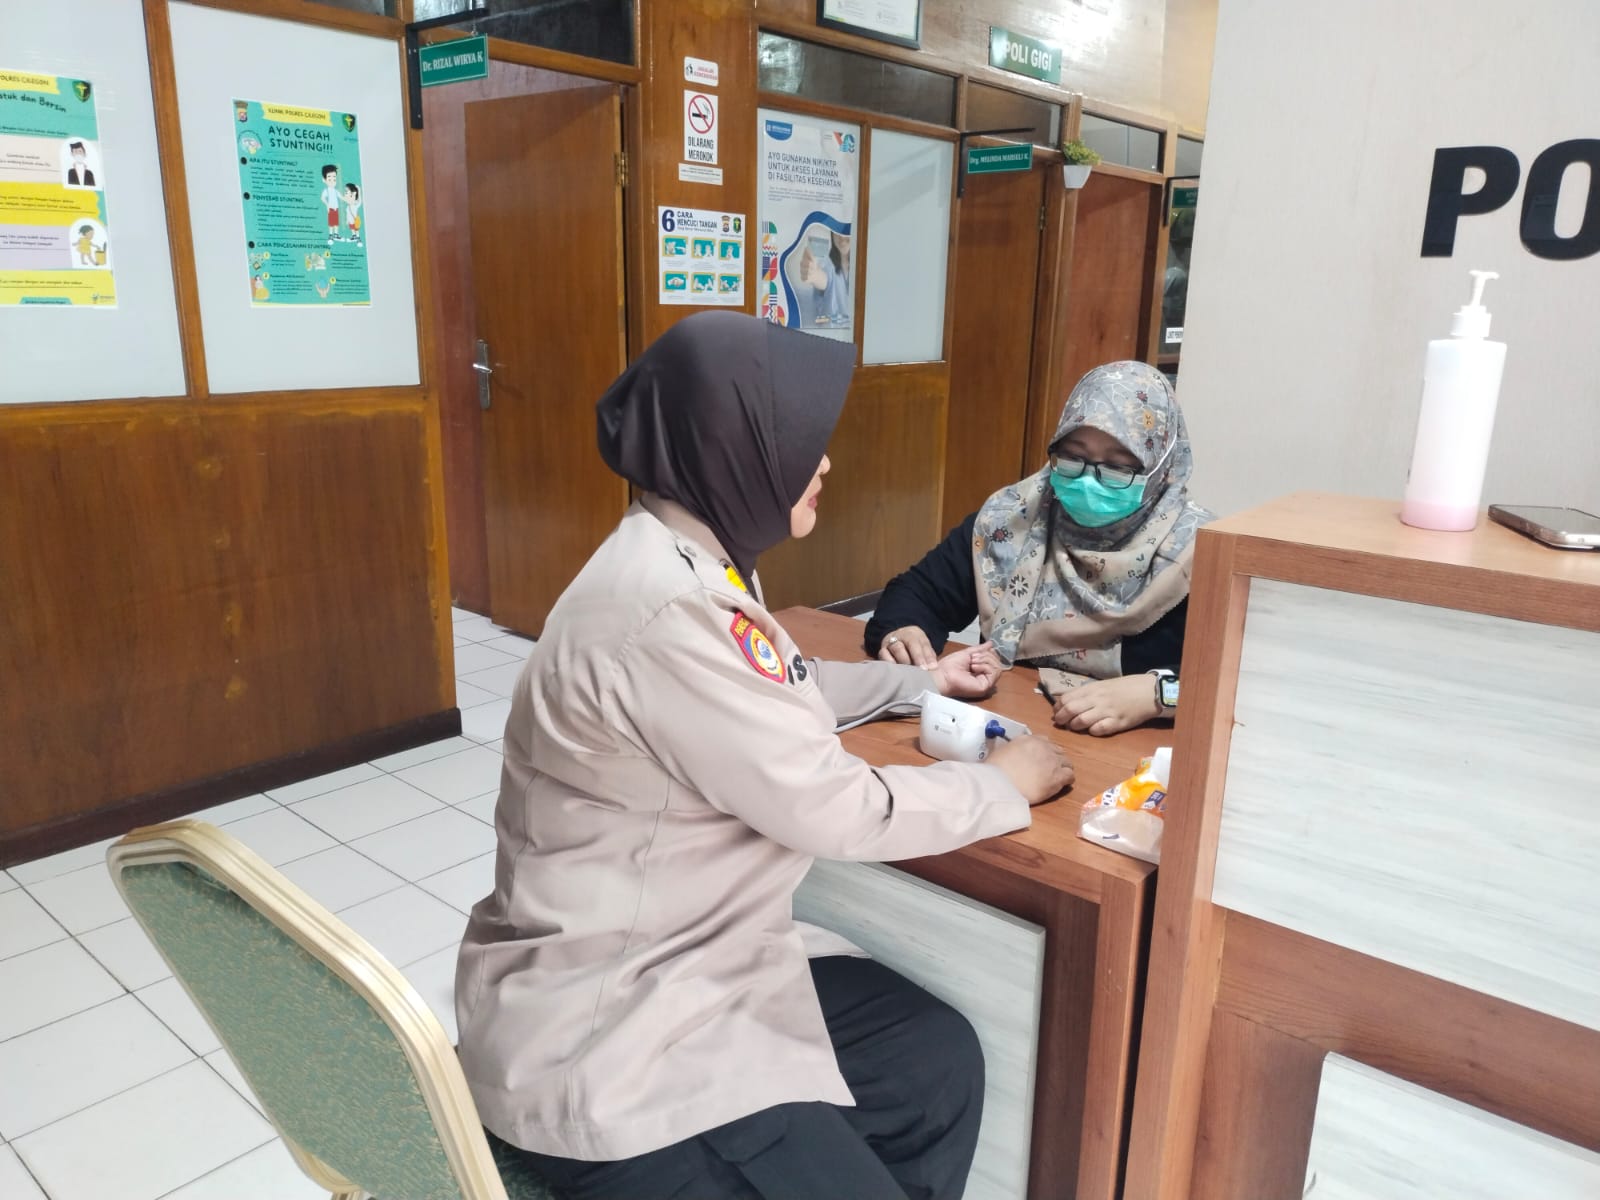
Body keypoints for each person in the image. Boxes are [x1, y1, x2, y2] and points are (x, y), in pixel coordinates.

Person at [456, 311, 1074, 1200]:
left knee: (930, 1059)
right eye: (802, 442)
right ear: (731, 447)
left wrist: (918, 682)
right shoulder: (671, 610)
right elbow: (837, 809)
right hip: (611, 1038)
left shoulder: (682, 558)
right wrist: (998, 786)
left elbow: (780, 688)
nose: (823, 465)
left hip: (676, 963)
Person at [867, 362, 1212, 737]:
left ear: (1160, 468)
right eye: (1072, 457)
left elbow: (1229, 687)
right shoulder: (1012, 519)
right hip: (1008, 731)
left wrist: (1157, 693)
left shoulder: (1198, 551)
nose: (1087, 480)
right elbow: (917, 592)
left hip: (1135, 754)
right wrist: (903, 632)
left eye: (1117, 467)